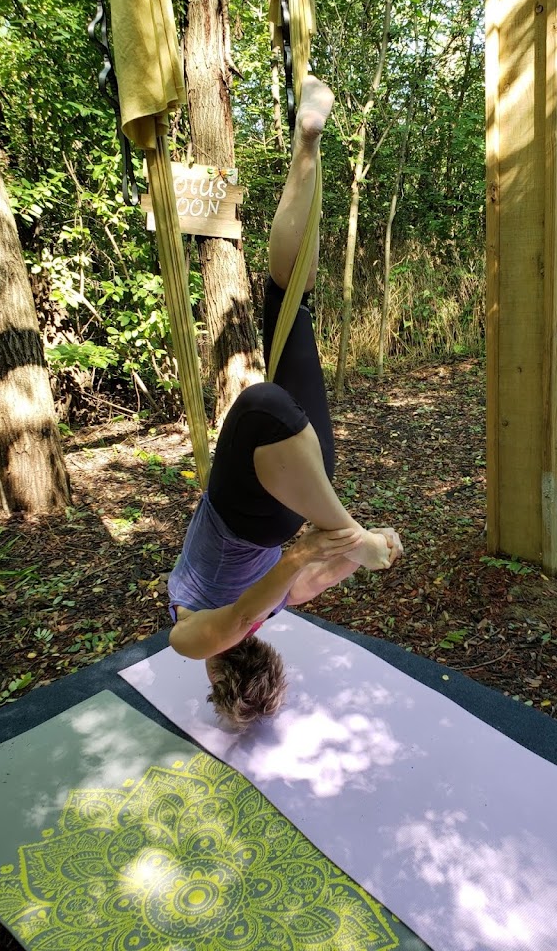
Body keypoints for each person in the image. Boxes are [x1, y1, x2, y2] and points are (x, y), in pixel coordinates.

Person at [167, 75, 402, 730]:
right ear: (219, 672)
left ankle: (308, 144)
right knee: (265, 403)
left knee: (287, 298)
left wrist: (349, 552)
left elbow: (253, 612)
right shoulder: (196, 637)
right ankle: (344, 523)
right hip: (264, 501)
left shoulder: (269, 609)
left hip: (302, 478)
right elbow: (243, 615)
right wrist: (341, 546)